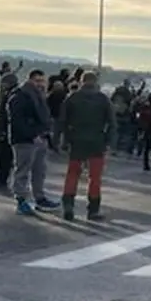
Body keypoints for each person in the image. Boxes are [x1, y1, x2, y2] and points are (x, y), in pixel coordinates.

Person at [58, 72, 115, 221]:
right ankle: (93, 210)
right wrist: (108, 141)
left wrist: (64, 140)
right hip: (97, 141)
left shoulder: (72, 98)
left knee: (72, 174)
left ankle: (69, 206)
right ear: (95, 82)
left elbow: (62, 121)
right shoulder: (103, 99)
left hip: (77, 140)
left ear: (81, 81)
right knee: (94, 177)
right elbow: (112, 123)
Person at [8, 69, 59, 216]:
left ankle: (39, 198)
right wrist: (31, 134)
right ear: (30, 80)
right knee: (22, 170)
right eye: (37, 81)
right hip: (25, 140)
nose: (40, 84)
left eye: (42, 81)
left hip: (39, 138)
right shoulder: (20, 96)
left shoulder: (38, 96)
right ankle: (21, 200)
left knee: (39, 171)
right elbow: (16, 120)